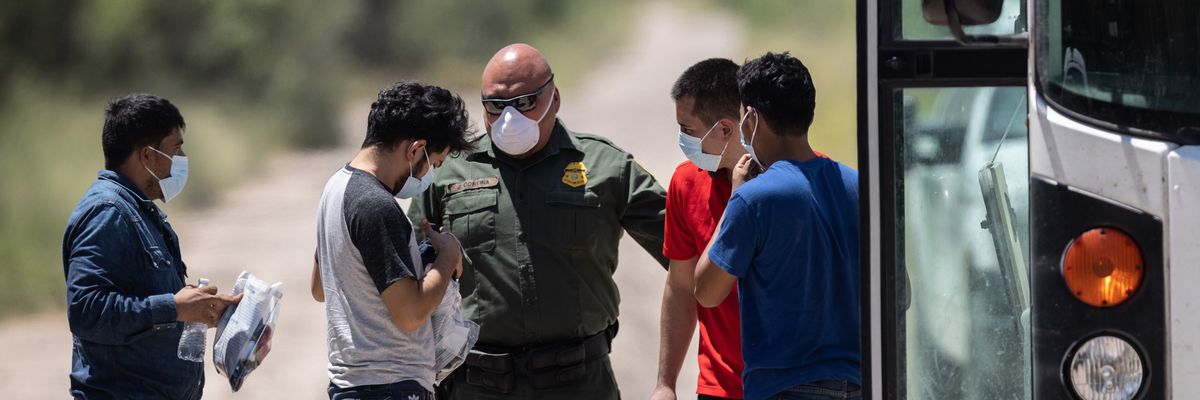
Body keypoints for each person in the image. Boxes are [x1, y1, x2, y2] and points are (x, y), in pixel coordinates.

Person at [407, 43, 668, 400]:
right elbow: (405, 278)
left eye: (526, 102)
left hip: (579, 383)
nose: (509, 117)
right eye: (496, 106)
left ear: (554, 98)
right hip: (476, 385)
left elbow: (690, 255)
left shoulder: (607, 167)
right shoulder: (448, 172)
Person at [694, 52, 861, 400]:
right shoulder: (861, 187)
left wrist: (735, 197)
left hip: (786, 388)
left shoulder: (754, 199)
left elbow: (707, 290)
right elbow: (898, 292)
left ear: (751, 118)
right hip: (860, 383)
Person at [62, 93, 242, 399]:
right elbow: (87, 311)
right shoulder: (108, 213)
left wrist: (197, 307)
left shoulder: (136, 210)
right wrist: (174, 308)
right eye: (177, 149)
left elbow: (143, 295)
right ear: (147, 156)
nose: (182, 159)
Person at [311, 81, 474, 400]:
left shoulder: (336, 188)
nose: (429, 177)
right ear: (414, 149)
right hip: (390, 387)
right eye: (434, 164)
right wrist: (446, 257)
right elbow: (410, 314)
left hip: (355, 386)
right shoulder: (377, 206)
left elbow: (320, 288)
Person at [653, 58, 748, 400]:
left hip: (792, 387)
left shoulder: (790, 179)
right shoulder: (685, 182)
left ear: (725, 129)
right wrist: (665, 383)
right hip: (718, 386)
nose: (681, 140)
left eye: (687, 130)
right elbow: (680, 286)